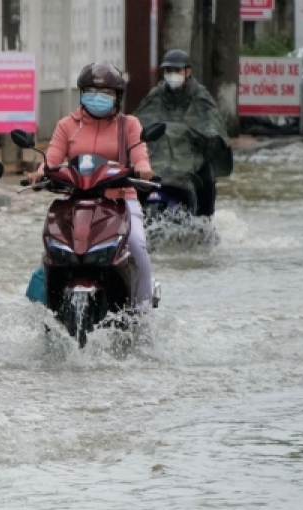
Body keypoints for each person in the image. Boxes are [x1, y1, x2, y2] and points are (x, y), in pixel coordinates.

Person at [28, 62, 155, 313]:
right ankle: (47, 310)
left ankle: (144, 308)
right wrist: (40, 174)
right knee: (54, 250)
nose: (98, 98)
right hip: (75, 201)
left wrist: (143, 169)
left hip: (119, 200)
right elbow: (51, 160)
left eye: (107, 93)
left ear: (118, 98)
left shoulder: (128, 125)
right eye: (91, 92)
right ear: (81, 94)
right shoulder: (67, 125)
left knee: (138, 244)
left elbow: (140, 154)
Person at [133, 49, 233, 217]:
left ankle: (204, 222)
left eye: (176, 70)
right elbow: (138, 121)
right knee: (136, 177)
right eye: (168, 71)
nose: (172, 75)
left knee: (207, 179)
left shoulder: (200, 96)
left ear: (188, 72)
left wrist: (204, 137)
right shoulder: (157, 95)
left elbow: (211, 123)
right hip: (159, 156)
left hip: (191, 155)